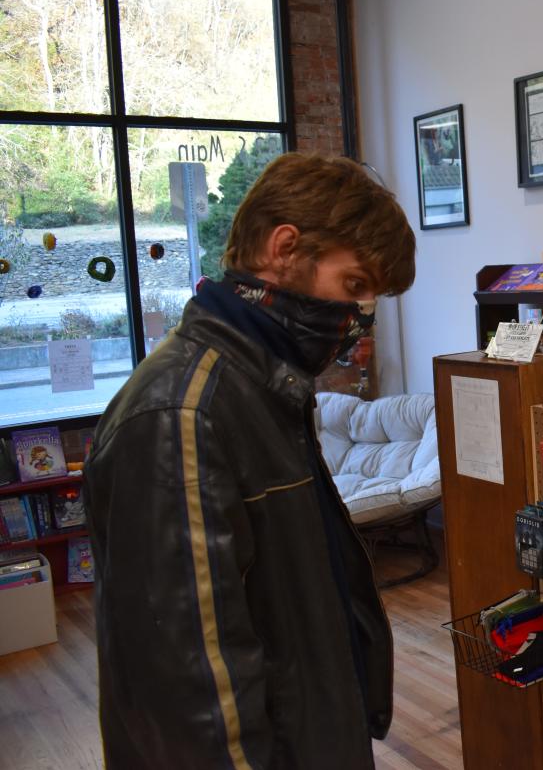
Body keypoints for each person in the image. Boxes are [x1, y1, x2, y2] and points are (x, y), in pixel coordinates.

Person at [84, 154, 417, 769]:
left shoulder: (265, 392)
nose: (357, 320)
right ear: (284, 248)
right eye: (353, 286)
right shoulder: (180, 417)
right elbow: (190, 695)